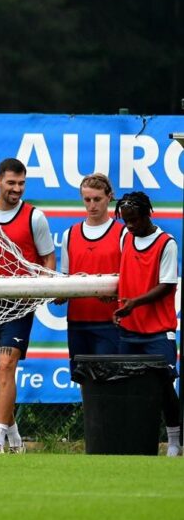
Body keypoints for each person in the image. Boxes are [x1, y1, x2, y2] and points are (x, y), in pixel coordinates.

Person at [0, 158, 55, 454]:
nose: (17, 189)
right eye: (11, 183)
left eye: (21, 183)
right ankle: (14, 435)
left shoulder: (35, 217)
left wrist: (40, 289)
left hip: (18, 305)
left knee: (7, 366)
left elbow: (48, 260)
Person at [112, 191, 181, 457]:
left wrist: (134, 304)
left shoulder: (166, 243)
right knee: (126, 389)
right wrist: (119, 307)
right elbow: (124, 276)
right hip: (130, 330)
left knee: (164, 386)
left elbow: (166, 286)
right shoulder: (125, 238)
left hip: (158, 331)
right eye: (125, 221)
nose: (129, 226)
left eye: (134, 220)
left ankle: (174, 441)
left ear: (146, 215)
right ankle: (130, 442)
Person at [56, 173, 123, 379]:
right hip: (78, 321)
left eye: (97, 199)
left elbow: (130, 278)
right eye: (87, 200)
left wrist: (116, 295)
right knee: (84, 380)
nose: (92, 205)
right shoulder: (71, 234)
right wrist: (58, 294)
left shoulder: (123, 233)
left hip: (109, 322)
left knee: (108, 382)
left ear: (109, 197)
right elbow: (66, 277)